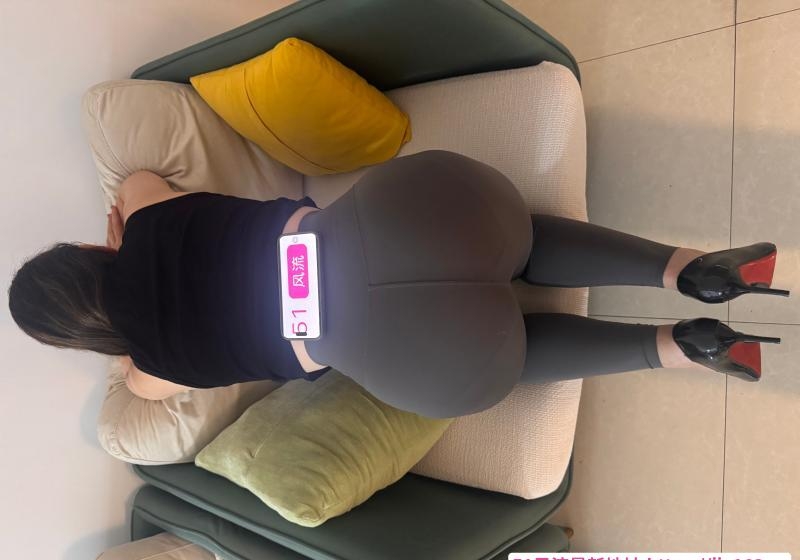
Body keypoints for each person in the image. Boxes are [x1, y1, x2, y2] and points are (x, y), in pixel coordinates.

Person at [7, 150, 790, 419]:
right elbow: (135, 181)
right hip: (402, 219)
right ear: (87, 251)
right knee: (516, 236)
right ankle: (689, 269)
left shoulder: (147, 369)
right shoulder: (144, 215)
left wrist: (119, 342)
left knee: (508, 353)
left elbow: (137, 383)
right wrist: (124, 237)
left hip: (414, 354)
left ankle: (685, 348)